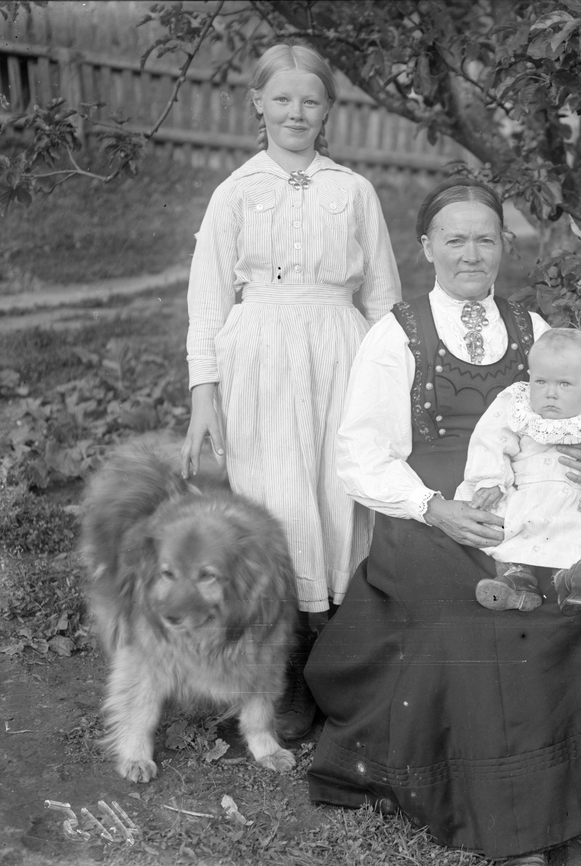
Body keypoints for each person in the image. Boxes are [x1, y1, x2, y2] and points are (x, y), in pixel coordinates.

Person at [303, 177, 581, 866]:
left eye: (486, 238)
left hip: (530, 518)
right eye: (454, 238)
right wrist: (438, 509)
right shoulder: (394, 336)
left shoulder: (535, 331)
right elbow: (359, 455)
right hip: (429, 522)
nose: (471, 253)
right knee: (484, 620)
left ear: (504, 248)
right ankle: (514, 824)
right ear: (427, 246)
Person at [180, 43, 401, 741]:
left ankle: (329, 671)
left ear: (329, 109)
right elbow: (209, 302)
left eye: (310, 100)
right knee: (272, 501)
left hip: (339, 352)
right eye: (282, 99)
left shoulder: (353, 191)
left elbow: (384, 300)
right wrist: (204, 395)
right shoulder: (236, 193)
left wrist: (387, 387)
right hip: (260, 359)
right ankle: (271, 676)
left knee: (334, 502)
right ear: (258, 104)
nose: (295, 112)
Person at [455, 328, 581, 616]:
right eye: (540, 381)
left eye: (565, 384)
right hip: (525, 493)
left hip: (575, 498)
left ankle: (569, 582)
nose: (550, 393)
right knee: (509, 528)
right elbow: (490, 438)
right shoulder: (516, 404)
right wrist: (490, 479)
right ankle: (516, 581)